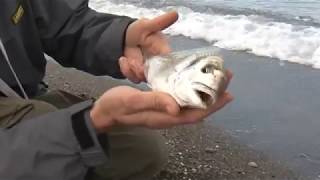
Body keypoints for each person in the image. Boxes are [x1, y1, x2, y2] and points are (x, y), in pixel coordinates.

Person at [0, 0, 233, 180]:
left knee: (142, 150)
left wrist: (122, 37)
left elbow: (63, 23)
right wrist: (88, 125)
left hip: (24, 91)